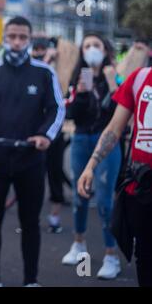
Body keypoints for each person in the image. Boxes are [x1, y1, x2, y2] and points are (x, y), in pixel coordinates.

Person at [0, 16, 65, 287]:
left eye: (22, 37)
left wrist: (44, 135)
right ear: (5, 37)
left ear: (29, 39)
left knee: (30, 222)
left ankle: (31, 280)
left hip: (30, 157)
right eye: (12, 36)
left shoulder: (44, 72)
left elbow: (57, 108)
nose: (17, 42)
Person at [78, 64, 152, 287]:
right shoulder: (140, 78)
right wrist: (91, 165)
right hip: (142, 189)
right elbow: (114, 129)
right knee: (146, 259)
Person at [62, 33, 122, 279]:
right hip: (81, 139)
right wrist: (82, 93)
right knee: (80, 195)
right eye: (87, 46)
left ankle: (111, 255)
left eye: (96, 45)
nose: (91, 49)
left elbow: (121, 110)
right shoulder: (80, 78)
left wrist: (112, 84)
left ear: (105, 49)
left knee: (106, 201)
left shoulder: (114, 77)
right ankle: (79, 244)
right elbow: (71, 114)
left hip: (107, 142)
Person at [31, 36, 66, 233]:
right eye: (36, 49)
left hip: (54, 133)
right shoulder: (36, 69)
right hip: (33, 131)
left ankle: (55, 216)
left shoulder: (62, 67)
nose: (39, 52)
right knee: (33, 177)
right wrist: (45, 61)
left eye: (42, 49)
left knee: (55, 173)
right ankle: (31, 216)